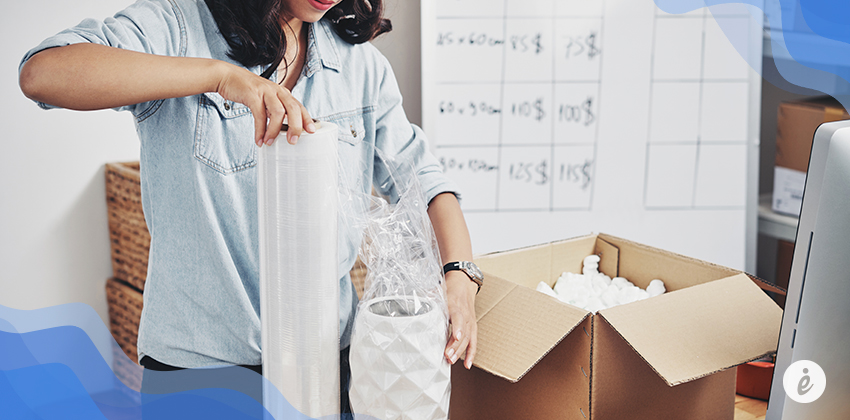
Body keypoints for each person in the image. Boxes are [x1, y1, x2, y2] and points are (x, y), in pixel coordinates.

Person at [19, 0, 479, 413]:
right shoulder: (178, 28)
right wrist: (221, 77)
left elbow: (424, 181)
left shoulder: (359, 65)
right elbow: (44, 74)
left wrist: (459, 272)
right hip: (202, 379)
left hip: (326, 369)